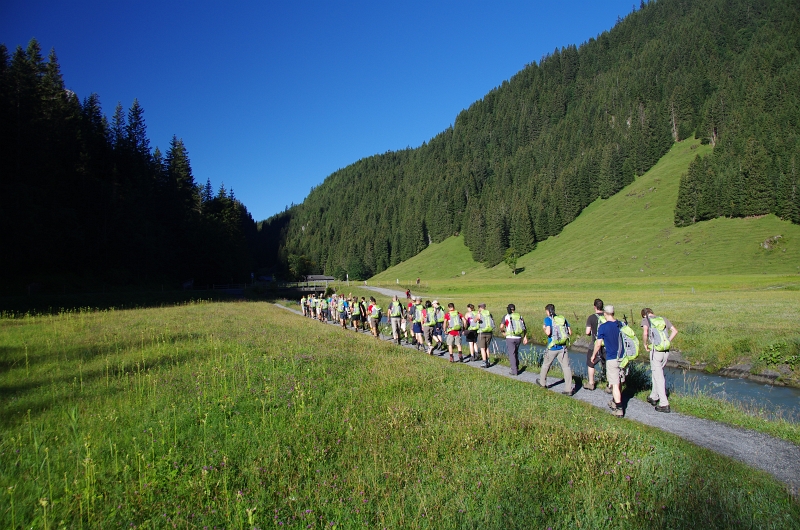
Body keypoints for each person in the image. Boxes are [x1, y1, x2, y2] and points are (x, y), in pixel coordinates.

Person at [641, 307, 679, 413]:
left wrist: (645, 344)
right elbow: (675, 331)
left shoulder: (646, 320)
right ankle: (654, 396)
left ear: (644, 315)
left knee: (659, 376)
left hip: (656, 350)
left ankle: (664, 403)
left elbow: (645, 333)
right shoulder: (663, 319)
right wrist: (667, 341)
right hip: (666, 351)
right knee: (656, 373)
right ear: (652, 312)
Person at [592, 305, 624, 417]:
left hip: (612, 358)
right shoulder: (621, 324)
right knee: (619, 381)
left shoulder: (603, 327)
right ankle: (616, 401)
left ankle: (619, 408)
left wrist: (593, 355)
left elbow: (598, 344)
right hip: (623, 358)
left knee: (614, 384)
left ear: (605, 314)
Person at [540, 303, 573, 395]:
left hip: (552, 347)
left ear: (547, 311)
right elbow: (570, 332)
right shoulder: (562, 319)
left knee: (546, 365)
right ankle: (568, 389)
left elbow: (548, 332)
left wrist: (544, 328)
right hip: (562, 347)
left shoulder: (547, 319)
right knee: (566, 367)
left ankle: (542, 383)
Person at [584, 298, 608, 391]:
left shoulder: (591, 317)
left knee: (591, 363)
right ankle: (610, 384)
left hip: (595, 343)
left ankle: (591, 383)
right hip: (607, 344)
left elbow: (587, 332)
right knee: (607, 365)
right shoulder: (607, 316)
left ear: (595, 307)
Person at [500, 304, 528, 376]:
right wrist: (525, 337)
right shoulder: (519, 316)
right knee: (516, 352)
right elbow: (524, 327)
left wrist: (503, 332)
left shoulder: (506, 316)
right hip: (518, 337)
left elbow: (501, 326)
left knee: (512, 354)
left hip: (510, 337)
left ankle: (514, 371)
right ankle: (516, 366)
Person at [476, 303, 494, 368]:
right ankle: (488, 360)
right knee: (487, 347)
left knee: (482, 348)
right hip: (489, 332)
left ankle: (484, 362)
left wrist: (478, 314)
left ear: (480, 308)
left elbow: (475, 320)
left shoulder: (480, 314)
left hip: (482, 332)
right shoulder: (489, 314)